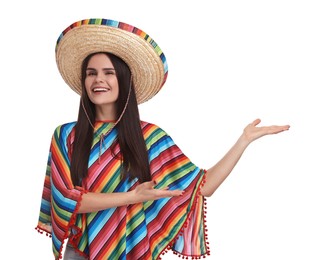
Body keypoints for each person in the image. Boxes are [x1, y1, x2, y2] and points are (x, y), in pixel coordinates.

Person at [35, 18, 290, 260]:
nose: (98, 79)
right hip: (80, 255)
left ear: (124, 79)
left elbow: (202, 187)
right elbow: (67, 202)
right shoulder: (67, 135)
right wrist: (132, 197)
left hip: (135, 252)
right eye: (91, 73)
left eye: (108, 72)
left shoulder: (149, 137)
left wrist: (243, 141)